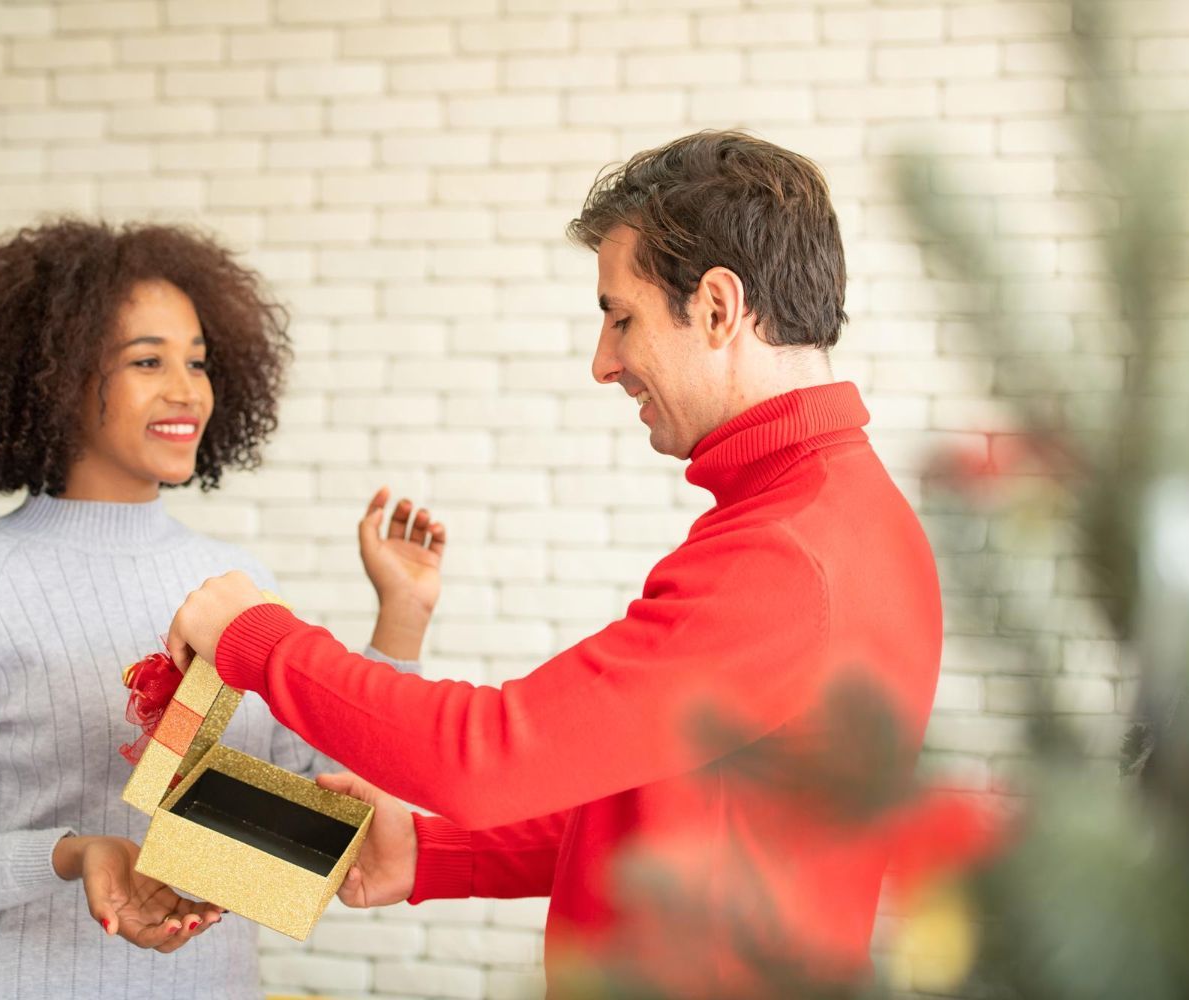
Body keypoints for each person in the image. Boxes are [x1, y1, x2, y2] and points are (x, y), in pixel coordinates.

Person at [153, 131, 945, 998]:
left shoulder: (786, 554)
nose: (604, 363)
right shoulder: (838, 513)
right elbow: (673, 816)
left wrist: (255, 638)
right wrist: (433, 853)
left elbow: (487, 757)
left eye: (621, 318)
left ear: (719, 308)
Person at [0, 219, 445, 999]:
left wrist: (401, 617)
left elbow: (324, 803)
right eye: (147, 361)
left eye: (197, 361)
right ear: (55, 378)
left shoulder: (235, 582)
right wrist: (74, 854)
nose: (187, 391)